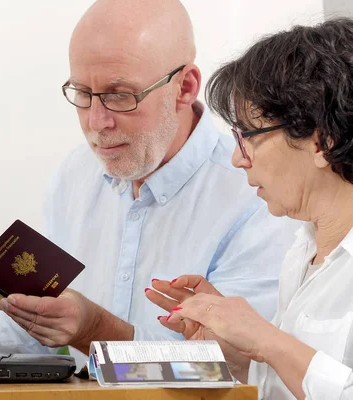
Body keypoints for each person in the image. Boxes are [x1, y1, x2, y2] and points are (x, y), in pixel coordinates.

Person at [0, 0, 300, 367]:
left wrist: (92, 328)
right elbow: (31, 329)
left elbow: (235, 367)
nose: (97, 122)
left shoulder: (259, 197)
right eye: (82, 93)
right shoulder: (75, 176)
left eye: (119, 96)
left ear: (185, 87)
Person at [146, 17, 353, 400]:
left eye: (248, 137)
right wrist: (239, 347)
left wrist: (267, 339)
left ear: (322, 142)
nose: (238, 160)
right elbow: (290, 382)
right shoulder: (301, 251)